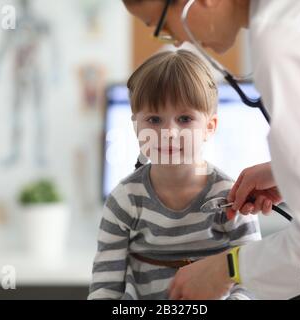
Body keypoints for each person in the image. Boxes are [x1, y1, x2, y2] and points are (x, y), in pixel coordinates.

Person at [123, 0, 300, 299]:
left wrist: (228, 269)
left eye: (164, 27)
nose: (179, 41)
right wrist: (290, 171)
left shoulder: (285, 37)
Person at [88, 49, 261, 300]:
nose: (169, 132)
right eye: (154, 119)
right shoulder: (124, 201)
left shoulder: (231, 197)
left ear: (209, 127)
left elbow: (252, 278)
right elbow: (105, 288)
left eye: (184, 118)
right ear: (136, 126)